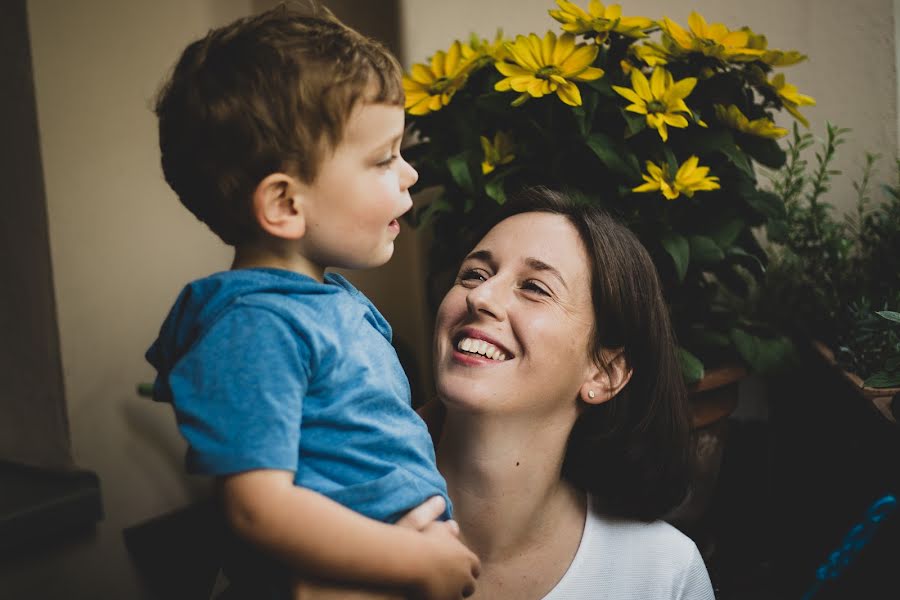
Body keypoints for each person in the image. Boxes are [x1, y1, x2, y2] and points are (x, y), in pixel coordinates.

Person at [144, 5, 479, 600]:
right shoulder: (255, 329)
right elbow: (257, 509)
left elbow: (354, 429)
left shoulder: (328, 301)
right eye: (382, 159)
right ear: (285, 204)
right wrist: (414, 562)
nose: (409, 173)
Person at [297, 186, 716, 599]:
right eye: (473, 274)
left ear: (605, 372)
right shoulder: (310, 523)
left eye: (534, 287)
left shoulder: (664, 573)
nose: (480, 296)